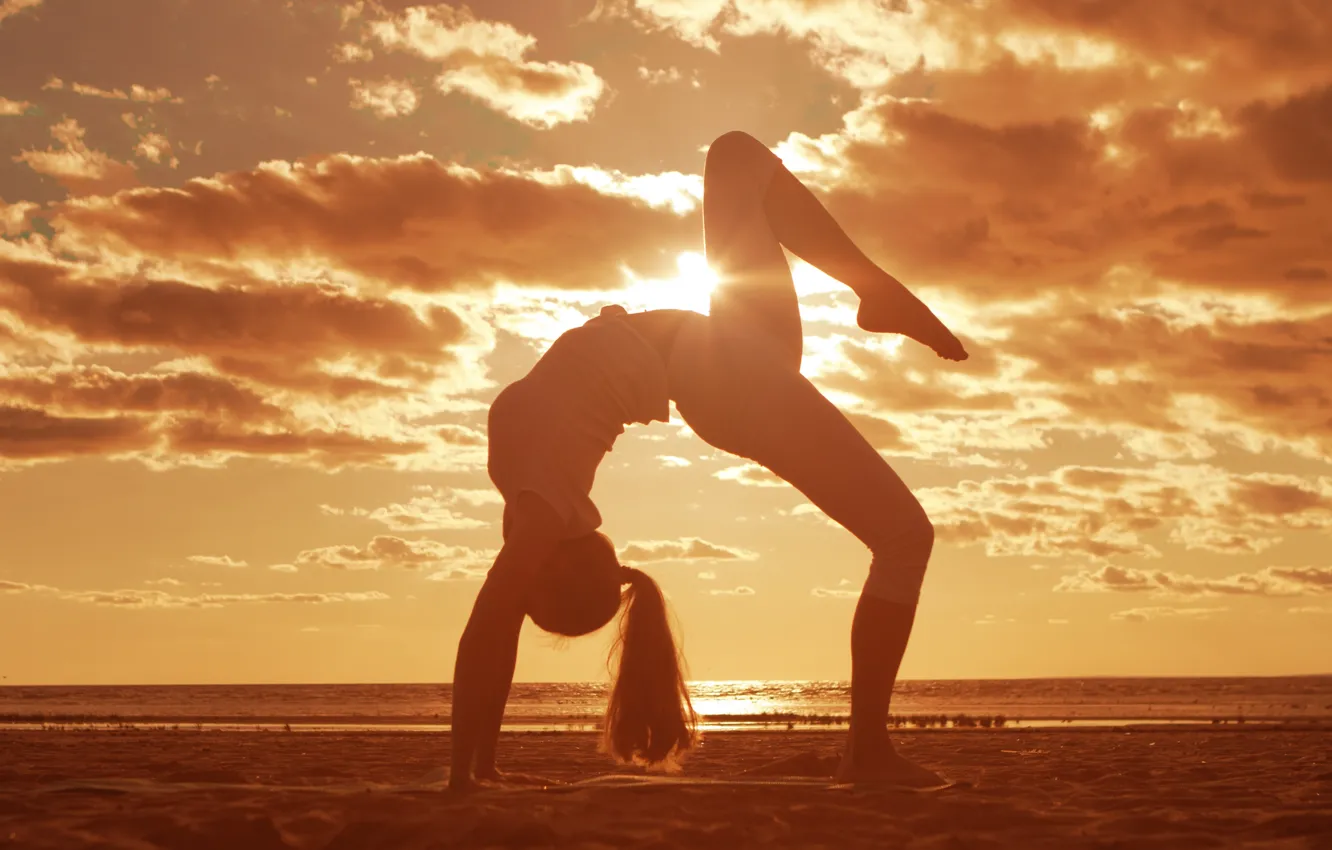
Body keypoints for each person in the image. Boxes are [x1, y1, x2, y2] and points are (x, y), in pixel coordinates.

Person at [449, 130, 968, 792]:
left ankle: (873, 290)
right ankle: (867, 750)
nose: (511, 588)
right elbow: (488, 629)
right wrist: (467, 776)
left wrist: (478, 768)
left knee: (737, 159)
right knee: (905, 535)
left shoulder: (524, 483)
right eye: (528, 592)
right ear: (545, 573)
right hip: (724, 377)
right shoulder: (543, 509)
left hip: (727, 354)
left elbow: (496, 618)